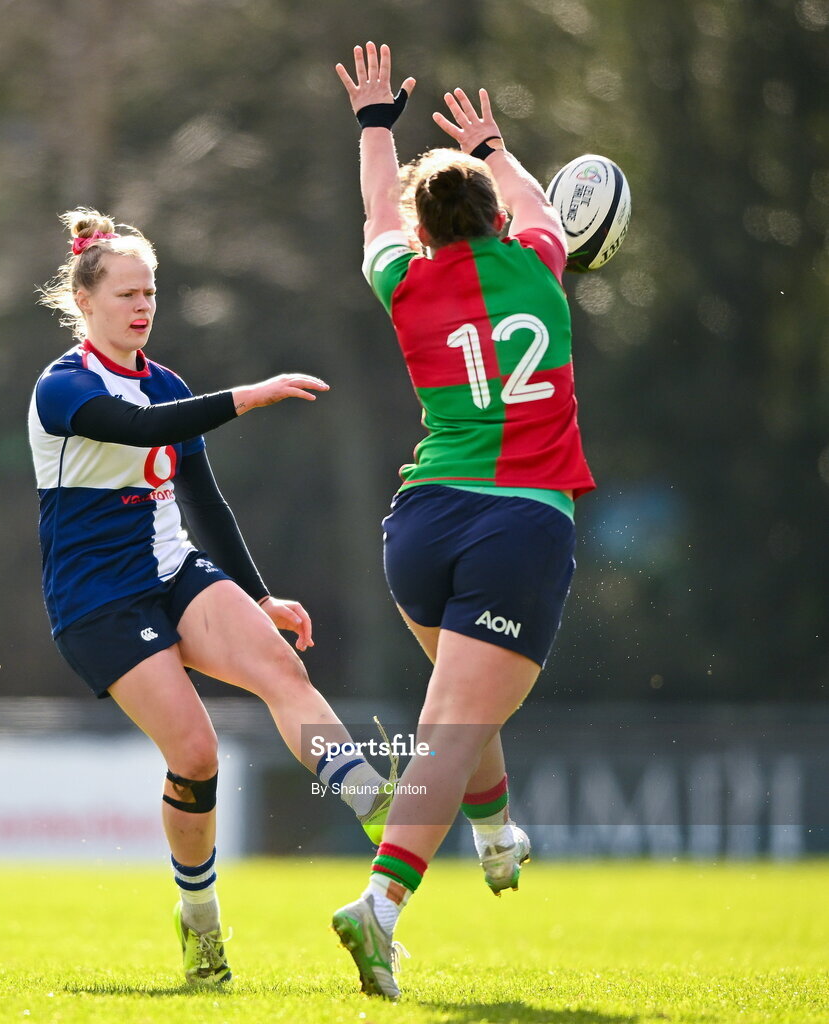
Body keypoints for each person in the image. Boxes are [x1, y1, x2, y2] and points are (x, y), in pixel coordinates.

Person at [29, 208, 394, 987]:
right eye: (126, 293)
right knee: (196, 755)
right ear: (85, 302)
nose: (142, 306)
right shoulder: (62, 388)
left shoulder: (167, 381)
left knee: (280, 670)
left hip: (173, 571)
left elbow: (206, 500)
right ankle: (199, 919)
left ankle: (376, 805)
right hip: (99, 602)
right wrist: (248, 397)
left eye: (150, 292)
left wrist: (259, 597)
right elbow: (137, 428)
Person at [332, 44, 596, 999]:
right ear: (495, 219)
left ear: (424, 228)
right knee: (450, 723)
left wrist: (373, 127)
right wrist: (492, 141)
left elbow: (374, 211)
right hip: (517, 524)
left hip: (420, 525)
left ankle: (493, 834)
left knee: (457, 705)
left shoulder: (403, 280)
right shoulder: (540, 266)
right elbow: (542, 206)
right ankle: (380, 907)